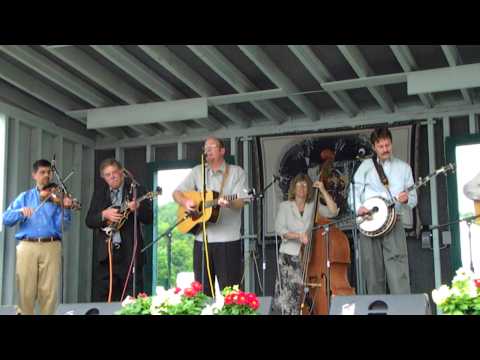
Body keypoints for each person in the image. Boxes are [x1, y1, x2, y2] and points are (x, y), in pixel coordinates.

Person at [173, 137, 248, 297]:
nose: (207, 150)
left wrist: (228, 203)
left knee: (231, 294)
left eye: (212, 147)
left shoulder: (236, 172)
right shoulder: (197, 171)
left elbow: (242, 200)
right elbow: (176, 193)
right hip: (202, 242)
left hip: (228, 241)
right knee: (202, 294)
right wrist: (186, 202)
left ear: (222, 151)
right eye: (205, 147)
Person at [349, 127, 417, 294]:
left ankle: (402, 310)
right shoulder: (365, 167)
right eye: (381, 146)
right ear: (374, 147)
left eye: (387, 145)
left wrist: (407, 198)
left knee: (398, 273)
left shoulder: (404, 168)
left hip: (394, 221)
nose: (385, 149)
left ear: (391, 144)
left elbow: (413, 199)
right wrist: (359, 207)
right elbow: (353, 192)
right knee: (372, 273)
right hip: (369, 222)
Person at [3, 159, 73, 315]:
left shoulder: (57, 196)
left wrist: (66, 208)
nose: (46, 175)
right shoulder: (25, 197)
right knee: (25, 290)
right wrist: (20, 212)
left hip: (51, 245)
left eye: (49, 172)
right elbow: (6, 218)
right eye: (42, 172)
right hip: (27, 245)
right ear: (34, 175)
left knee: (49, 291)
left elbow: (64, 227)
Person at [86, 159, 153, 302]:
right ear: (103, 177)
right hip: (107, 255)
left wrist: (138, 209)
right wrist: (104, 214)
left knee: (131, 297)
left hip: (129, 254)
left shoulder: (136, 189)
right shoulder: (99, 193)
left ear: (122, 173)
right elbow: (89, 220)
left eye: (114, 173)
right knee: (105, 297)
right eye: (107, 175)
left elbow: (148, 219)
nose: (112, 177)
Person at [272, 173, 338, 315]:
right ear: (293, 189)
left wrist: (323, 190)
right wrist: (298, 236)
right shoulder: (285, 206)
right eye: (299, 185)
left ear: (309, 190)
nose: (302, 188)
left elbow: (333, 212)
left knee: (301, 294)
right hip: (289, 255)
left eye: (305, 185)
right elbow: (280, 229)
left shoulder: (313, 206)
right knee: (287, 296)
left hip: (308, 255)